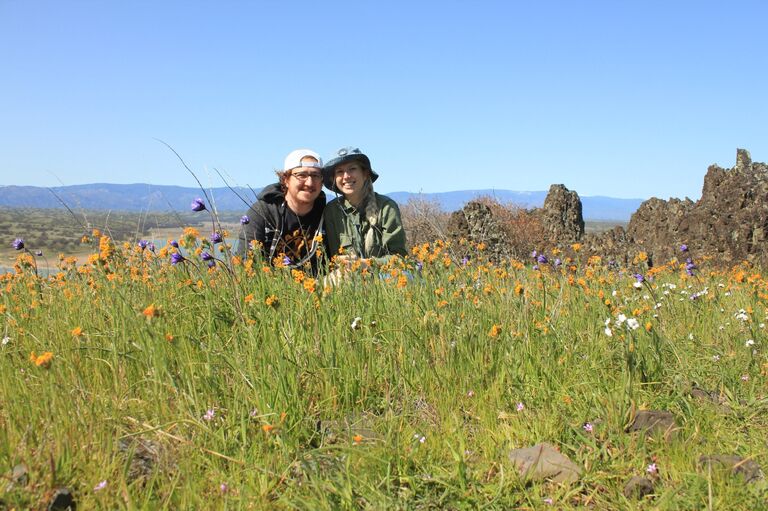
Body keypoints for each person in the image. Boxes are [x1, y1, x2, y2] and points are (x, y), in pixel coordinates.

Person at [236, 149, 326, 270]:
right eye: (301, 175)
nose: (309, 183)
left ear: (322, 182)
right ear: (286, 180)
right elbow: (245, 263)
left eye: (316, 175)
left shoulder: (327, 215)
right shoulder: (262, 212)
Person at [322, 147, 406, 267]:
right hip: (348, 278)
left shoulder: (386, 207)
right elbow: (334, 258)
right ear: (334, 179)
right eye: (339, 172)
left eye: (352, 169)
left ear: (365, 173)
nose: (346, 176)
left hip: (383, 277)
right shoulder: (331, 211)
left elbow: (399, 258)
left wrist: (366, 264)